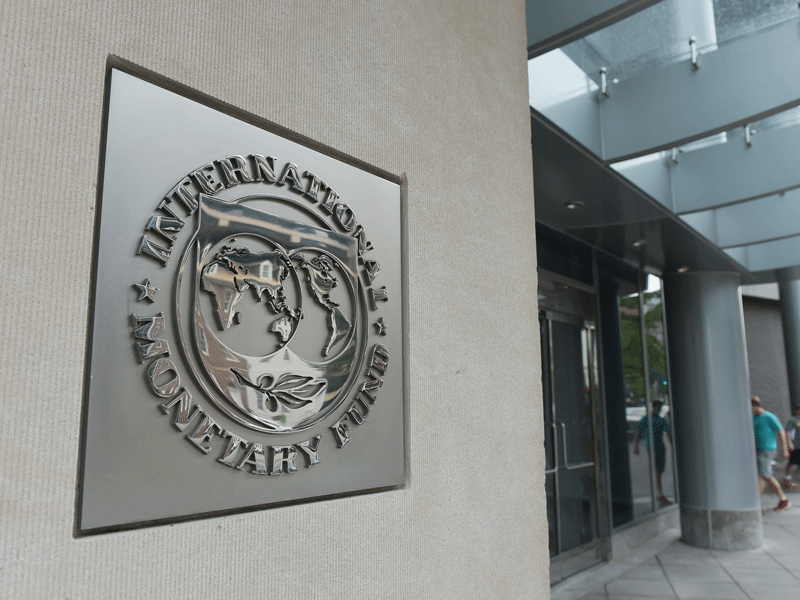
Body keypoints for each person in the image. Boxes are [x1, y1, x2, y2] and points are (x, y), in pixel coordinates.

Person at [751, 396, 791, 511]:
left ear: (756, 405)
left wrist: (784, 448)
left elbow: (781, 432)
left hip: (768, 450)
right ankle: (757, 501)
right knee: (762, 475)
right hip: (758, 450)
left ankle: (783, 499)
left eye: (751, 407)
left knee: (766, 474)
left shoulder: (769, 417)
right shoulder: (754, 418)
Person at [633, 400, 673, 506]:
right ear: (654, 407)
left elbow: (667, 432)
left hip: (660, 446)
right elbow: (638, 431)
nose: (659, 411)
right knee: (657, 469)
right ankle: (660, 493)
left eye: (660, 409)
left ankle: (658, 492)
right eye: (658, 409)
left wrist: (672, 446)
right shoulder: (646, 419)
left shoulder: (661, 419)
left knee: (660, 469)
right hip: (651, 446)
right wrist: (635, 445)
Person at [783, 405, 800, 490]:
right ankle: (787, 478)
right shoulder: (793, 420)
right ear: (797, 411)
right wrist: (789, 443)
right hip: (796, 445)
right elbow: (788, 431)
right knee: (792, 462)